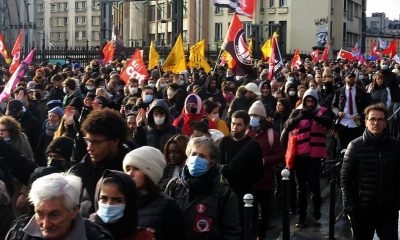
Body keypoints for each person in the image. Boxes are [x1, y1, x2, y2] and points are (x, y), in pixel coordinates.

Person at [341, 103, 400, 239]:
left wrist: (397, 202)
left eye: (380, 119)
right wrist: (350, 205)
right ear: (366, 122)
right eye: (372, 119)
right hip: (362, 210)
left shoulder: (396, 146)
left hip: (388, 210)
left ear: (385, 123)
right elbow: (345, 179)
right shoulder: (355, 146)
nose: (376, 123)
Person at [165, 136, 241, 239]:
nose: (196, 159)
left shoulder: (224, 195)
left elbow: (231, 234)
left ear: (212, 162)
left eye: (202, 156)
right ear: (187, 159)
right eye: (193, 154)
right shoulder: (174, 187)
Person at [6, 173, 113, 240]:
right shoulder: (18, 231)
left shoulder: (97, 236)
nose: (46, 224)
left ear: (74, 210)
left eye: (54, 215)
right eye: (39, 213)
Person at [282, 88, 333, 227]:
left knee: (315, 187)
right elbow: (288, 125)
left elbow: (329, 122)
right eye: (307, 101)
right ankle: (302, 216)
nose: (309, 104)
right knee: (301, 188)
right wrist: (300, 117)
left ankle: (316, 209)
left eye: (312, 101)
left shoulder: (323, 111)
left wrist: (314, 117)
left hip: (314, 157)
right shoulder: (297, 111)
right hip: (299, 156)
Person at [70, 108, 131, 217]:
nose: (89, 148)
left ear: (115, 141)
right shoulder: (80, 170)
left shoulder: (130, 174)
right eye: (88, 141)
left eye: (96, 142)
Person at [123, 146, 186, 240]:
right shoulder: (121, 202)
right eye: (127, 169)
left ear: (150, 172)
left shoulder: (168, 206)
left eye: (136, 168)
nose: (130, 174)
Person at [217, 110, 263, 232]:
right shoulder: (224, 141)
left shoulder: (254, 146)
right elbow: (220, 165)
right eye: (233, 124)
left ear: (246, 126)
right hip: (227, 192)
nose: (235, 127)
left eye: (239, 124)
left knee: (244, 226)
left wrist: (241, 171)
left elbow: (259, 173)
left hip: (245, 193)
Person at [247, 101, 284, 239]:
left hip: (265, 181)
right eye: (250, 115)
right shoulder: (246, 131)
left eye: (255, 115)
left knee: (265, 212)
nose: (252, 118)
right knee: (251, 213)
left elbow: (280, 155)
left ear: (262, 117)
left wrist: (265, 160)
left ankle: (261, 235)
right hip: (249, 182)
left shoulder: (271, 134)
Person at [89, 170, 138, 240]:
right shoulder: (83, 231)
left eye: (117, 200)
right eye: (104, 198)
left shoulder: (142, 236)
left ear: (129, 204)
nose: (109, 204)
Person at [332, 72, 370, 150]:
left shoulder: (360, 91)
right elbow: (333, 105)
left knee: (356, 145)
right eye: (350, 77)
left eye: (353, 77)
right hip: (343, 122)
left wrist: (360, 115)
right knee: (343, 146)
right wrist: (338, 112)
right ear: (345, 78)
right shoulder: (339, 91)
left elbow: (367, 106)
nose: (352, 79)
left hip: (356, 122)